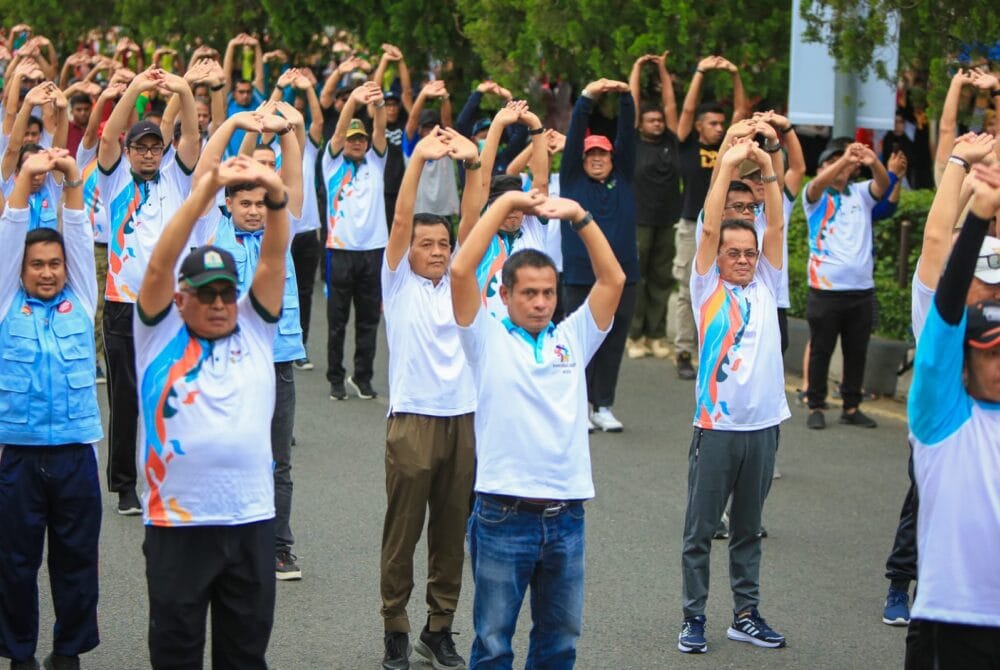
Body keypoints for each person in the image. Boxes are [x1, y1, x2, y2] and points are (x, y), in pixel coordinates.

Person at [452, 185, 624, 668]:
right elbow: (462, 269)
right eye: (528, 293)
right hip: (503, 514)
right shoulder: (484, 335)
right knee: (492, 642)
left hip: (567, 514)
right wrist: (506, 206)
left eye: (548, 292)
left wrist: (580, 217)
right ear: (505, 294)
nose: (541, 302)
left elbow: (613, 280)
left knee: (560, 642)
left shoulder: (573, 335)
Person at [135, 156, 288, 669]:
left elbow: (274, 256)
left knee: (244, 656)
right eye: (206, 294)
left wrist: (277, 197)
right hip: (178, 524)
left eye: (226, 291)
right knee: (176, 655)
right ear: (181, 300)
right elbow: (160, 262)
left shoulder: (256, 328)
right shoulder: (157, 335)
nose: (220, 303)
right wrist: (205, 191)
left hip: (249, 520)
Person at [881, 132, 999, 630]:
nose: (988, 287)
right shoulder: (939, 300)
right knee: (922, 504)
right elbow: (936, 238)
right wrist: (957, 165)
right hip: (949, 420)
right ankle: (899, 582)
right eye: (981, 276)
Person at [677, 137, 788, 654]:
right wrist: (725, 165)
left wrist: (766, 167)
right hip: (716, 429)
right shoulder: (707, 288)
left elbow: (778, 225)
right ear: (717, 256)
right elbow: (708, 219)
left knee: (750, 531)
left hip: (763, 428)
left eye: (749, 252)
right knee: (700, 533)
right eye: (733, 253)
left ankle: (745, 614)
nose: (744, 259)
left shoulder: (767, 280)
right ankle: (693, 617)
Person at [379, 126, 480, 670]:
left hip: (462, 418)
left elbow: (476, 214)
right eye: (428, 245)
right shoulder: (398, 283)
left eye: (444, 244)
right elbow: (401, 217)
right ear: (409, 252)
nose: (438, 252)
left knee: (450, 530)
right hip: (412, 420)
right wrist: (418, 156)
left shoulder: (461, 278)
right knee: (403, 533)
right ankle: (395, 626)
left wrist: (474, 163)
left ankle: (437, 628)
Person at [195, 105, 307, 581]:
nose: (255, 210)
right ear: (230, 205)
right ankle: (221, 542)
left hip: (276, 361)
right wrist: (237, 124)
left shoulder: (280, 233)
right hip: (224, 361)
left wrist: (287, 134)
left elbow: (296, 184)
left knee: (277, 460)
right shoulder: (211, 228)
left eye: (263, 203)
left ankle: (279, 546)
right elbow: (206, 171)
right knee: (225, 452)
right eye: (245, 203)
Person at [0, 149, 99, 670]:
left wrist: (73, 180)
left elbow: (79, 233)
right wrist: (26, 177)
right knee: (14, 564)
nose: (46, 272)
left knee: (76, 562)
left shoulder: (82, 298)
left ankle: (68, 652)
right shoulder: (4, 302)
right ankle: (19, 655)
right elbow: (12, 228)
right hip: (16, 455)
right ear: (21, 268)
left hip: (74, 454)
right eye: (36, 264)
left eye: (54, 264)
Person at [97, 66, 200, 515]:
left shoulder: (176, 180)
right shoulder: (115, 178)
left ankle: (168, 475)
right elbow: (106, 139)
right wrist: (138, 86)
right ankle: (123, 484)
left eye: (155, 147)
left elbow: (192, 140)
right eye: (141, 147)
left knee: (169, 393)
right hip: (123, 303)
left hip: (171, 307)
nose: (149, 154)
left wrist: (183, 89)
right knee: (126, 399)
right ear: (129, 151)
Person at [560, 76, 637, 433]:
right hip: (580, 275)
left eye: (602, 154)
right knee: (578, 339)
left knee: (613, 339)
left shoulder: (624, 177)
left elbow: (629, 135)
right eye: (590, 154)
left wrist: (624, 97)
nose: (596, 159)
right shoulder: (572, 180)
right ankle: (577, 402)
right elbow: (575, 133)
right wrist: (588, 96)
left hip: (624, 276)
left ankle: (603, 405)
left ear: (611, 157)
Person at [801, 142, 890, 429]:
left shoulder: (860, 194)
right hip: (825, 290)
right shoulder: (814, 197)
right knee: (821, 350)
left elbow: (884, 184)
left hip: (861, 289)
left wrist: (873, 161)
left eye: (845, 162)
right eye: (832, 162)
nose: (841, 166)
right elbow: (817, 184)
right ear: (822, 168)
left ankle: (851, 407)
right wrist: (845, 161)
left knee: (856, 351)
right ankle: (815, 404)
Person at [673, 56, 747, 380]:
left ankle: (716, 348)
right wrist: (700, 71)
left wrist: (734, 74)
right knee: (688, 290)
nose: (719, 128)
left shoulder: (730, 147)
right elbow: (687, 111)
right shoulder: (686, 143)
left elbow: (741, 115)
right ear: (701, 126)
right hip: (693, 224)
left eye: (722, 123)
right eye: (713, 124)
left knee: (727, 288)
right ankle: (684, 351)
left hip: (728, 227)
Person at [322, 81, 388, 400]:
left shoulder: (376, 162)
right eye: (353, 138)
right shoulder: (331, 163)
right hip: (340, 251)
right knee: (337, 321)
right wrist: (353, 104)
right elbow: (336, 135)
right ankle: (336, 377)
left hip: (373, 252)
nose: (358, 143)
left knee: (368, 320)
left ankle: (362, 376)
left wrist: (375, 104)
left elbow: (381, 129)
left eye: (361, 138)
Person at [457, 100, 549, 321]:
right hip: (489, 338)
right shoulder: (480, 236)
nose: (512, 212)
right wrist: (498, 124)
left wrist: (536, 126)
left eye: (517, 206)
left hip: (529, 333)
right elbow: (482, 181)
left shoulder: (533, 227)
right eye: (504, 206)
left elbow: (541, 182)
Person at [627, 52, 681, 360]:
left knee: (662, 279)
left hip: (667, 219)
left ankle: (657, 335)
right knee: (639, 277)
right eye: (651, 120)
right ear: (642, 124)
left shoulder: (671, 141)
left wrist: (662, 69)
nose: (658, 123)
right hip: (640, 219)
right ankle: (634, 336)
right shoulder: (634, 141)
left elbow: (672, 105)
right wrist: (637, 68)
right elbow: (632, 103)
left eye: (659, 120)